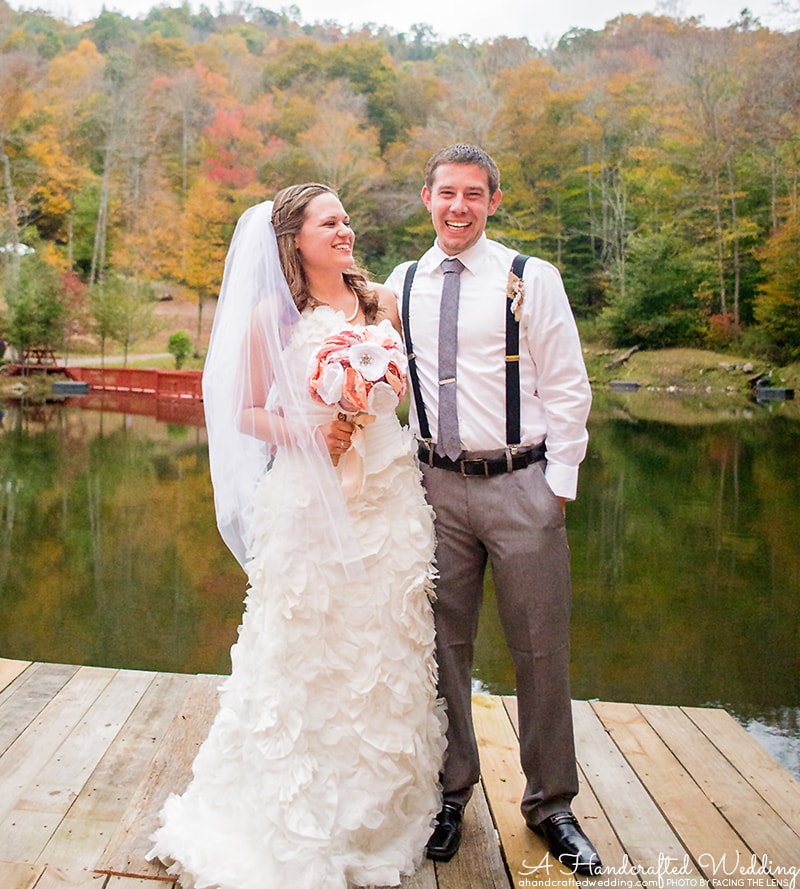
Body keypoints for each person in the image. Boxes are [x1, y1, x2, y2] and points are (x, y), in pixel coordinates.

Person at [147, 184, 446, 889]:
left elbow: (403, 390)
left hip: (388, 494)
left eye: (346, 220)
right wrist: (311, 433)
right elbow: (245, 410)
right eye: (329, 222)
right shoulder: (272, 317)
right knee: (308, 643)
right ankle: (295, 809)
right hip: (309, 497)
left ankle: (377, 811)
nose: (345, 230)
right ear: (296, 238)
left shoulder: (381, 303)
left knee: (382, 641)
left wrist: (368, 400)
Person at [385, 144, 601, 876]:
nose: (459, 207)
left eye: (474, 194)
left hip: (521, 483)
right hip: (432, 488)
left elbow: (568, 385)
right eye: (447, 192)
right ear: (426, 198)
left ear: (493, 202)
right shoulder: (402, 282)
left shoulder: (530, 278)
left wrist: (556, 486)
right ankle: (450, 793)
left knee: (540, 645)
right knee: (442, 646)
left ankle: (551, 804)